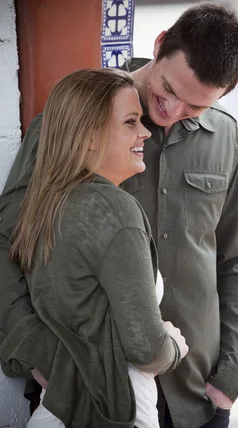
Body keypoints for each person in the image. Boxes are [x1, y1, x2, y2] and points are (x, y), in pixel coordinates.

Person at [0, 2, 238, 428]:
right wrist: (36, 353)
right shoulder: (73, 125)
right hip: (87, 391)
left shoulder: (226, 136)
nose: (172, 112)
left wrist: (231, 375)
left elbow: (237, 259)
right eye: (169, 91)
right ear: (159, 46)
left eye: (195, 107)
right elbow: (9, 238)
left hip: (197, 394)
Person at [0, 68, 189, 427]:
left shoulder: (47, 203)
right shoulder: (115, 211)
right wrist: (176, 345)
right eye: (130, 122)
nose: (145, 131)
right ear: (89, 135)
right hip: (111, 411)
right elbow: (146, 349)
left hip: (56, 409)